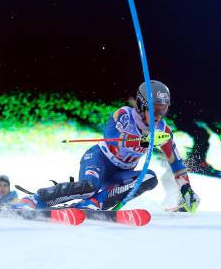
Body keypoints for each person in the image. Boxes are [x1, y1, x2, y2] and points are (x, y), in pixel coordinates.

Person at [18, 80, 200, 212]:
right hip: (99, 160)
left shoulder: (163, 131)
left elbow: (176, 164)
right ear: (141, 105)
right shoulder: (123, 115)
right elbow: (112, 136)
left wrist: (186, 189)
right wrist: (143, 139)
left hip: (121, 172)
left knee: (149, 178)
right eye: (156, 109)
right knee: (88, 186)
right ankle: (36, 199)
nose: (159, 115)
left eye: (164, 109)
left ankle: (94, 203)